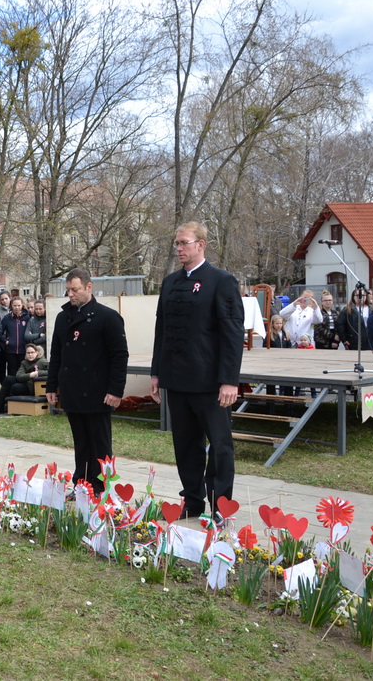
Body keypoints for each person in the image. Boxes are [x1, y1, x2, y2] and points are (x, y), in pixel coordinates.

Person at [149, 221, 243, 521]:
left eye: (184, 243)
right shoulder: (170, 282)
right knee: (186, 445)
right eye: (176, 243)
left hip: (210, 382)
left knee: (220, 446)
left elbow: (232, 333)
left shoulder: (221, 281)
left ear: (200, 245)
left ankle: (221, 506)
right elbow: (162, 330)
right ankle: (192, 501)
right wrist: (156, 373)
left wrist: (229, 380)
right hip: (177, 379)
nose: (179, 248)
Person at [46, 269, 128, 496]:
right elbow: (57, 355)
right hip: (72, 389)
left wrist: (116, 390)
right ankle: (81, 484)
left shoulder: (107, 317)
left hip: (97, 391)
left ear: (89, 287)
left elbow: (119, 355)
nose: (71, 294)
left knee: (100, 444)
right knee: (81, 442)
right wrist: (51, 385)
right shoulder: (63, 317)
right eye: (68, 290)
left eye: (75, 289)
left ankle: (100, 487)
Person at [0, 343, 48, 415]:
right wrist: (30, 375)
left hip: (33, 386)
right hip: (25, 381)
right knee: (8, 379)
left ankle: (8, 405)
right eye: (28, 353)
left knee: (15, 387)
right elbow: (19, 376)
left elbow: (50, 371)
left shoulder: (42, 361)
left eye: (32, 352)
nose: (30, 355)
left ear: (37, 353)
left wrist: (38, 373)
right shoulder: (24, 363)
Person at [1, 297, 30, 379]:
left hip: (23, 350)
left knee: (22, 371)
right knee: (12, 373)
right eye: (14, 305)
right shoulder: (7, 318)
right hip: (10, 351)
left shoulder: (27, 318)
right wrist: (6, 341)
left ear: (22, 305)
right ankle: (11, 387)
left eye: (19, 305)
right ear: (11, 305)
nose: (17, 307)